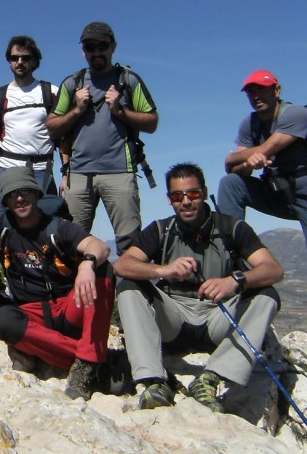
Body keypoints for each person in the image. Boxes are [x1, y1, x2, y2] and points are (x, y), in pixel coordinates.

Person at [115, 163, 284, 413]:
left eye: (192, 194)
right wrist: (163, 270)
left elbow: (273, 269)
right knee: (128, 286)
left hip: (217, 318)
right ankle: (153, 381)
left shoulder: (231, 228)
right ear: (170, 200)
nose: (186, 202)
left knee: (267, 295)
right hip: (173, 317)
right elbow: (123, 264)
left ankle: (210, 378)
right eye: (177, 196)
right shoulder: (162, 230)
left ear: (204, 193)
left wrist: (235, 280)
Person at [217, 69, 307, 363]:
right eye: (250, 91)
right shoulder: (249, 124)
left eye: (262, 90)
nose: (256, 96)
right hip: (280, 193)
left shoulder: (296, 115)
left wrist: (244, 157)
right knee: (231, 186)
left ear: (277, 90)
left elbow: (261, 151)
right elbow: (234, 168)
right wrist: (244, 161)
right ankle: (231, 253)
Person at [0, 168, 114, 400]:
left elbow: (101, 248)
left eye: (25, 191)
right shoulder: (3, 230)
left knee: (103, 269)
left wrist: (87, 264)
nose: (19, 198)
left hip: (70, 307)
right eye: (12, 194)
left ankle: (86, 364)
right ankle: (94, 360)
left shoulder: (59, 228)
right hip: (32, 312)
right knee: (4, 321)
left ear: (37, 194)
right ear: (6, 200)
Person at [46, 22, 158, 245]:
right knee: (71, 242)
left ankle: (131, 280)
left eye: (102, 46)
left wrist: (119, 110)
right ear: (83, 51)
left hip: (120, 171)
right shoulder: (72, 84)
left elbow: (152, 122)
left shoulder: (128, 80)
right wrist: (77, 109)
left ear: (113, 46)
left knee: (130, 242)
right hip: (79, 173)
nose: (96, 52)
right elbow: (52, 127)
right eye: (90, 47)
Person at [0, 35, 59, 214]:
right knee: (4, 222)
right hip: (7, 168)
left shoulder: (51, 92)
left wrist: (66, 175)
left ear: (35, 61)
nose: (20, 62)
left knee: (45, 222)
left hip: (41, 169)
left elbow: (62, 138)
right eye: (14, 58)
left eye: (26, 58)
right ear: (9, 61)